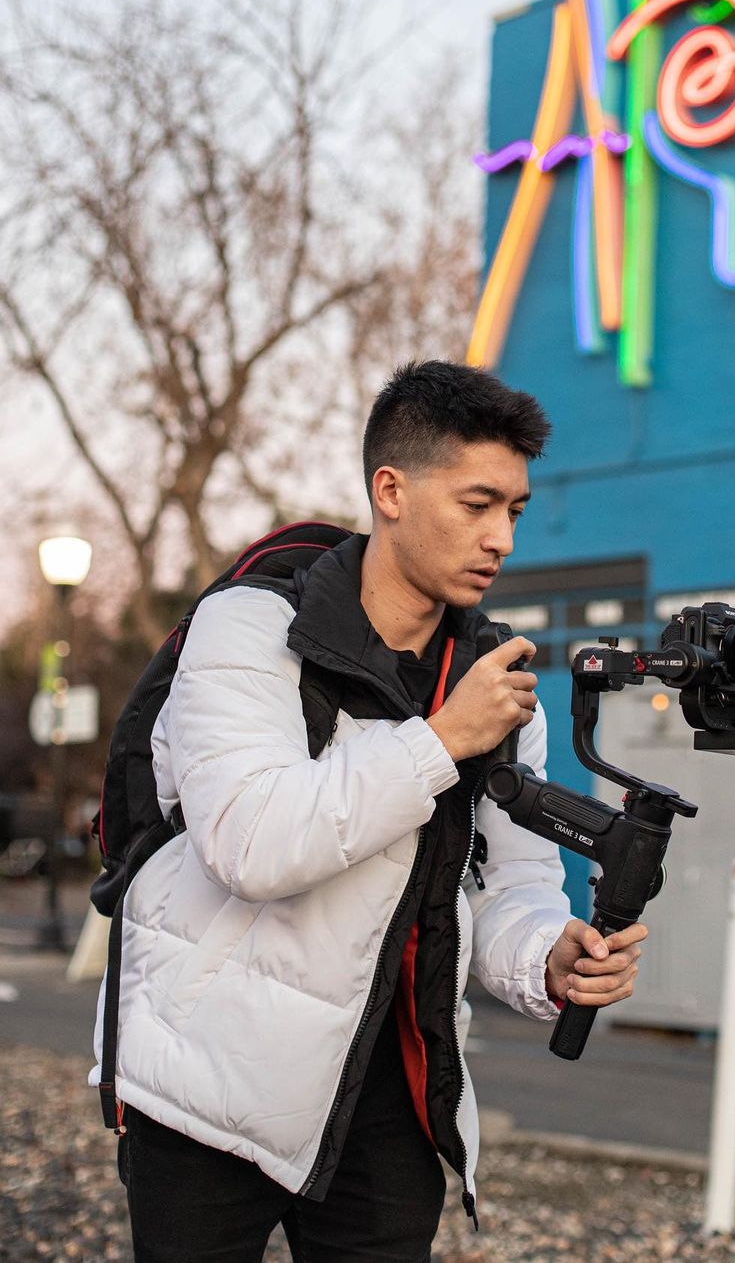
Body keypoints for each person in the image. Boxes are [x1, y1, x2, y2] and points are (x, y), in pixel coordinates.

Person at [91, 359, 648, 1262]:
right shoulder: (249, 628)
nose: (501, 538)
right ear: (391, 491)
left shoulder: (496, 686)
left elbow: (511, 885)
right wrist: (442, 741)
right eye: (477, 504)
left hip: (390, 1089)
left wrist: (549, 957)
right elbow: (250, 845)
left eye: (515, 510)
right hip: (207, 1076)